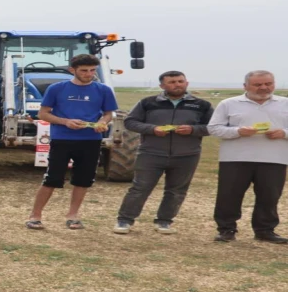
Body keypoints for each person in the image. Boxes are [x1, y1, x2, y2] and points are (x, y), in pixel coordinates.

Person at [113, 71, 214, 235]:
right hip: (150, 153)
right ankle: (124, 220)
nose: (177, 84)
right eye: (172, 82)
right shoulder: (148, 103)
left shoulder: (202, 105)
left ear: (186, 83)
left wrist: (193, 130)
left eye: (180, 81)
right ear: (162, 86)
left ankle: (164, 222)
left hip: (187, 155)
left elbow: (214, 127)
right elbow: (130, 122)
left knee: (176, 190)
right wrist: (152, 129)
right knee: (140, 188)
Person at [25, 54, 118, 230]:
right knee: (52, 178)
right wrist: (65, 122)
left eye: (92, 70)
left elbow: (108, 113)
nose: (89, 74)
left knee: (83, 179)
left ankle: (73, 216)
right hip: (62, 138)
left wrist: (102, 123)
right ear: (72, 70)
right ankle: (35, 216)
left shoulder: (103, 90)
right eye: (84, 70)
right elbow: (43, 114)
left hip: (91, 140)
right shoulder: (56, 88)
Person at [208, 70, 288, 244]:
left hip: (275, 158)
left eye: (268, 84)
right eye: (258, 84)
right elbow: (213, 128)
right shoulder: (229, 103)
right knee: (229, 195)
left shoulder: (285, 104)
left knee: (269, 196)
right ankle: (226, 230)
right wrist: (238, 131)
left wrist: (284, 133)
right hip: (235, 158)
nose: (264, 88)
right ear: (245, 86)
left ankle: (265, 231)